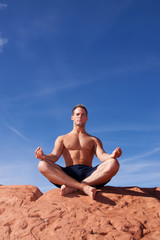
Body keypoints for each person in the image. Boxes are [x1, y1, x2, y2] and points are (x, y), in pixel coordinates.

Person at [35, 104, 122, 200]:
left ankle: (74, 187)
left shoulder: (94, 139)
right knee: (42, 164)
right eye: (77, 114)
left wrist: (112, 155)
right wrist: (44, 156)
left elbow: (102, 156)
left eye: (83, 115)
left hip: (90, 175)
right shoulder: (62, 138)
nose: (80, 117)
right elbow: (54, 156)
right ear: (72, 117)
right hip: (67, 174)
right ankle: (82, 187)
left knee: (114, 163)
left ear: (86, 118)